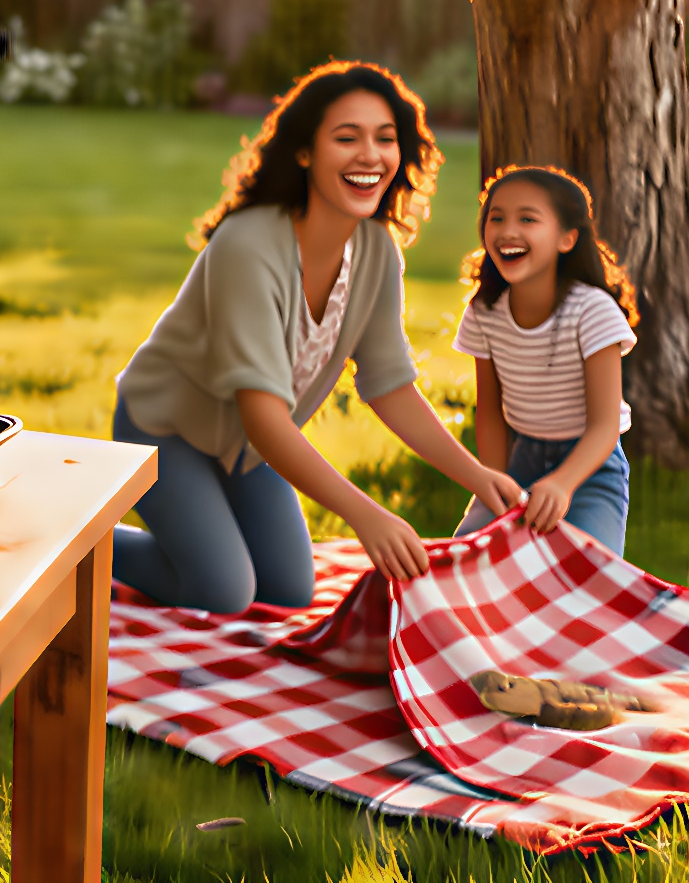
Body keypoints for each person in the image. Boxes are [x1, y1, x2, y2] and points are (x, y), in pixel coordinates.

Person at [110, 62, 525, 613]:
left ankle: (194, 545)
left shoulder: (377, 253)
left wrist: (479, 477)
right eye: (347, 138)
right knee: (224, 590)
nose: (370, 156)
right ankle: (83, 540)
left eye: (385, 139)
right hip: (166, 431)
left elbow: (389, 385)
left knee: (287, 590)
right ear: (305, 152)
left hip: (249, 449)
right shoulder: (249, 245)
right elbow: (263, 414)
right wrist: (365, 513)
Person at [450, 166, 639, 553]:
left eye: (528, 219)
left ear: (567, 238)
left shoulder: (592, 312)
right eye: (496, 218)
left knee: (592, 574)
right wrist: (495, 481)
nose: (507, 230)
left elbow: (605, 426)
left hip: (591, 467)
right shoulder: (484, 313)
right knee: (466, 558)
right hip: (523, 456)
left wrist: (563, 483)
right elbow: (488, 410)